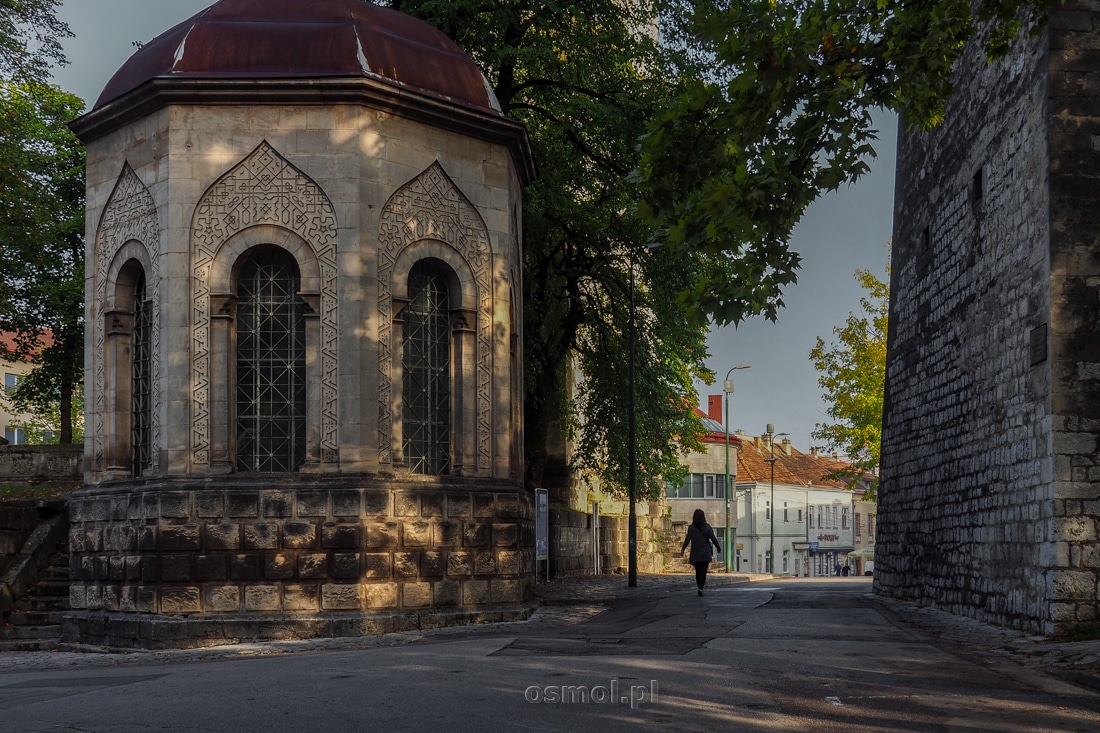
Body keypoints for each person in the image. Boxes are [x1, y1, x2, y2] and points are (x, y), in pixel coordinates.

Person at [680, 509, 722, 596]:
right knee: (703, 571)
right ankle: (701, 587)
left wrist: (683, 549)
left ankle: (699, 586)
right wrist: (718, 547)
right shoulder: (707, 527)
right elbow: (713, 538)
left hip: (696, 552)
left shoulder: (691, 528)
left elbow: (687, 539)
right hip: (705, 553)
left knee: (698, 571)